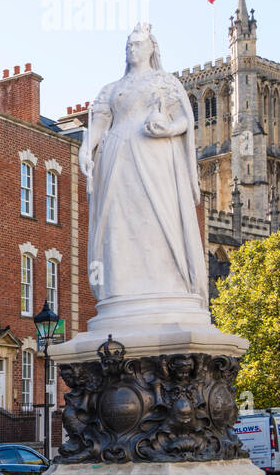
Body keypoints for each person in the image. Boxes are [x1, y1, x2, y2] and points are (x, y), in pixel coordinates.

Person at [80, 23, 209, 317]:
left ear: (152, 49)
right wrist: (86, 149)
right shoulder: (112, 89)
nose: (132, 49)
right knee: (118, 221)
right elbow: (97, 126)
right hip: (116, 158)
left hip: (155, 157)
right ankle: (122, 286)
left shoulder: (165, 83)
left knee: (158, 218)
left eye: (138, 44)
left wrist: (167, 129)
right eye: (128, 45)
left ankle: (168, 284)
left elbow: (184, 121)